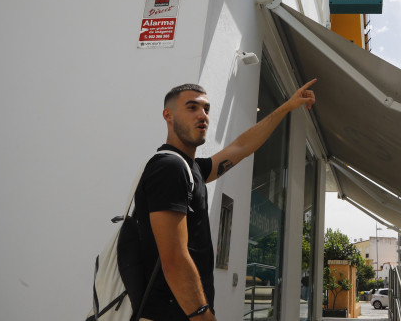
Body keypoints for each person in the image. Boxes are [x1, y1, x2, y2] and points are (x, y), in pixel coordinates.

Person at [133, 79, 316, 321]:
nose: (203, 116)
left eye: (206, 109)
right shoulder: (169, 168)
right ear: (168, 115)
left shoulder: (192, 169)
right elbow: (174, 258)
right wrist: (201, 314)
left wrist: (285, 108)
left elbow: (241, 146)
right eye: (192, 107)